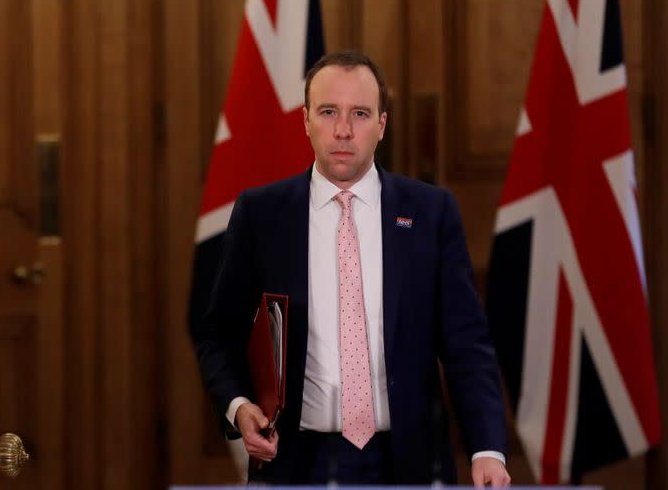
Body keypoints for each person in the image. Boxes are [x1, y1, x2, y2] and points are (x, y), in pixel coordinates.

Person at [193, 51, 511, 486]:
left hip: (407, 462)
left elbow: (466, 344)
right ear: (306, 120)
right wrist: (238, 405)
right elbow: (218, 333)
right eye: (329, 112)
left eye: (360, 114)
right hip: (294, 462)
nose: (343, 130)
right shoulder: (262, 214)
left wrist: (487, 449)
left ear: (381, 125)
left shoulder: (430, 213)